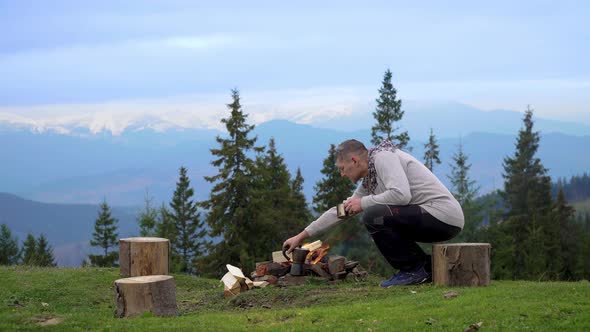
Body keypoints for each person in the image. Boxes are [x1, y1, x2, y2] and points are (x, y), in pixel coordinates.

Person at [283, 138, 464, 287]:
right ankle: (424, 267)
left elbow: (401, 195)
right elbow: (340, 212)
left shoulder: (383, 157)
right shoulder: (371, 178)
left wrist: (363, 203)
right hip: (430, 217)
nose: (342, 175)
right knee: (375, 213)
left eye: (342, 168)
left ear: (354, 160)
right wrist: (301, 236)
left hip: (443, 216)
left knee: (374, 216)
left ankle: (414, 270)